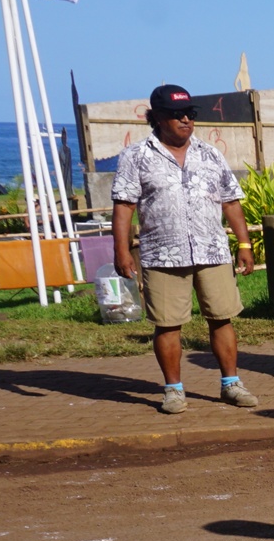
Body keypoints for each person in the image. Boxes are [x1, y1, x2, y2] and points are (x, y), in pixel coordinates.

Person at [110, 83, 259, 415]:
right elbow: (123, 207)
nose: (186, 121)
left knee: (222, 318)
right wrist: (121, 251)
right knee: (167, 323)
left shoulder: (210, 153)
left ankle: (231, 384)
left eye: (190, 114)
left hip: (212, 251)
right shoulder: (136, 156)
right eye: (177, 115)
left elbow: (231, 202)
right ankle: (174, 390)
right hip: (163, 254)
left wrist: (244, 243)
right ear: (158, 118)